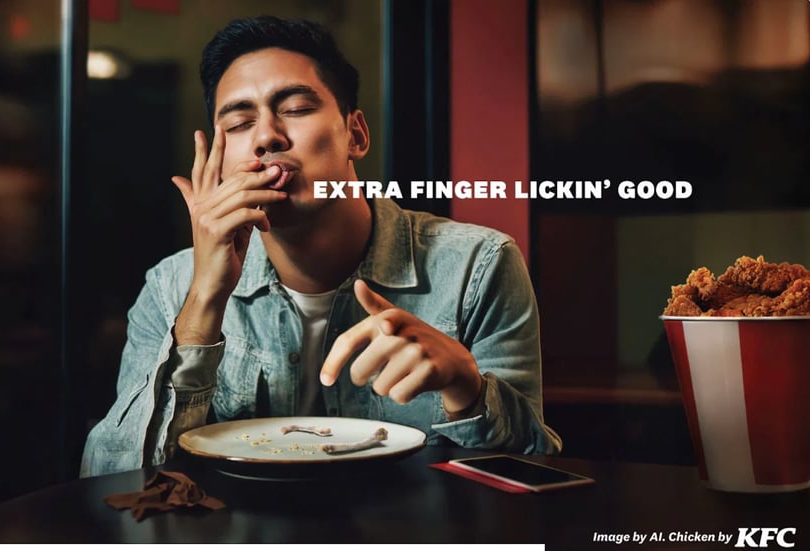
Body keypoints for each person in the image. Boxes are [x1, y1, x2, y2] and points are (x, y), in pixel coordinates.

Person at [81, 16, 561, 476]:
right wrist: (205, 298)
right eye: (239, 123)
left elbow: (534, 470)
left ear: (356, 134)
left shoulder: (478, 266)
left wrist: (466, 388)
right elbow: (115, 481)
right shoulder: (171, 286)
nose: (267, 136)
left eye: (294, 109)